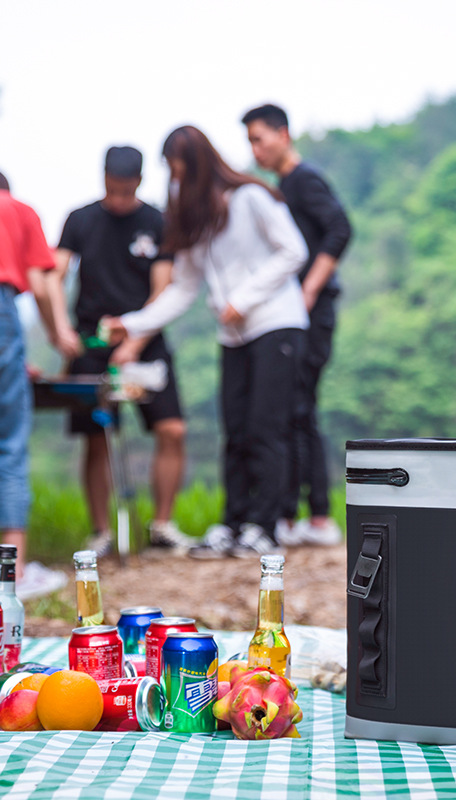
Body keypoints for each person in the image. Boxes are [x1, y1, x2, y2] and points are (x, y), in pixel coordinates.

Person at [105, 125, 309, 559]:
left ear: (198, 165)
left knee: (265, 426)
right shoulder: (197, 221)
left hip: (276, 323)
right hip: (233, 334)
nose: (176, 182)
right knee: (235, 426)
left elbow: (293, 251)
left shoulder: (251, 197)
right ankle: (234, 522)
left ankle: (264, 526)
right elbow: (182, 288)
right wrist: (133, 323)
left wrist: (243, 298)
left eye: (179, 171)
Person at [54, 146, 191, 557]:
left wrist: (135, 341)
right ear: (103, 179)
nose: (117, 198)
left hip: (145, 343)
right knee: (96, 438)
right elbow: (54, 274)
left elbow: (163, 288)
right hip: (91, 345)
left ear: (139, 182)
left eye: (125, 191)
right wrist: (60, 329)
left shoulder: (158, 222)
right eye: (112, 190)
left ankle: (162, 526)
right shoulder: (80, 220)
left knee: (172, 430)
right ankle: (101, 533)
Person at [242, 103, 352, 546]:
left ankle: (319, 518)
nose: (254, 149)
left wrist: (308, 290)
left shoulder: (303, 180)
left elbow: (340, 229)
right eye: (249, 141)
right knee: (293, 409)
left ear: (283, 135)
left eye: (259, 138)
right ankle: (293, 516)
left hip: (313, 311)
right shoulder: (284, 185)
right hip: (300, 313)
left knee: (301, 409)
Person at [0, 170, 68, 594]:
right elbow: (42, 285)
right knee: (9, 441)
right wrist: (60, 335)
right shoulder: (16, 210)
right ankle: (13, 572)